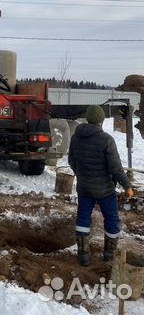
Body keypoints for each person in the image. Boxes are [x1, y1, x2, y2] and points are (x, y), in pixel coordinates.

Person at [68, 105, 133, 266]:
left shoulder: (76, 137)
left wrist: (82, 175)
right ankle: (109, 254)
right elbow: (116, 168)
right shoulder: (106, 140)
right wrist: (127, 186)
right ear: (101, 121)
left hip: (84, 188)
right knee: (111, 218)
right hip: (105, 189)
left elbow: (71, 160)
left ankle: (83, 255)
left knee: (83, 218)